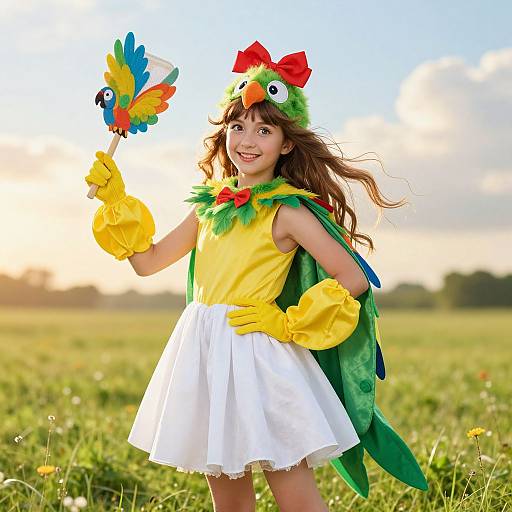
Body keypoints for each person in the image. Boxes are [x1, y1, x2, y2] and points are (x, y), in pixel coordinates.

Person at [85, 41, 427, 512]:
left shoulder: (286, 211)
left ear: (286, 143)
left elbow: (353, 277)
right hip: (204, 352)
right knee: (229, 501)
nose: (246, 140)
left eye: (264, 129)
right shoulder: (209, 205)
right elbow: (147, 262)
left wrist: (288, 323)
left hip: (260, 352)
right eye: (237, 126)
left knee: (296, 495)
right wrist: (114, 200)